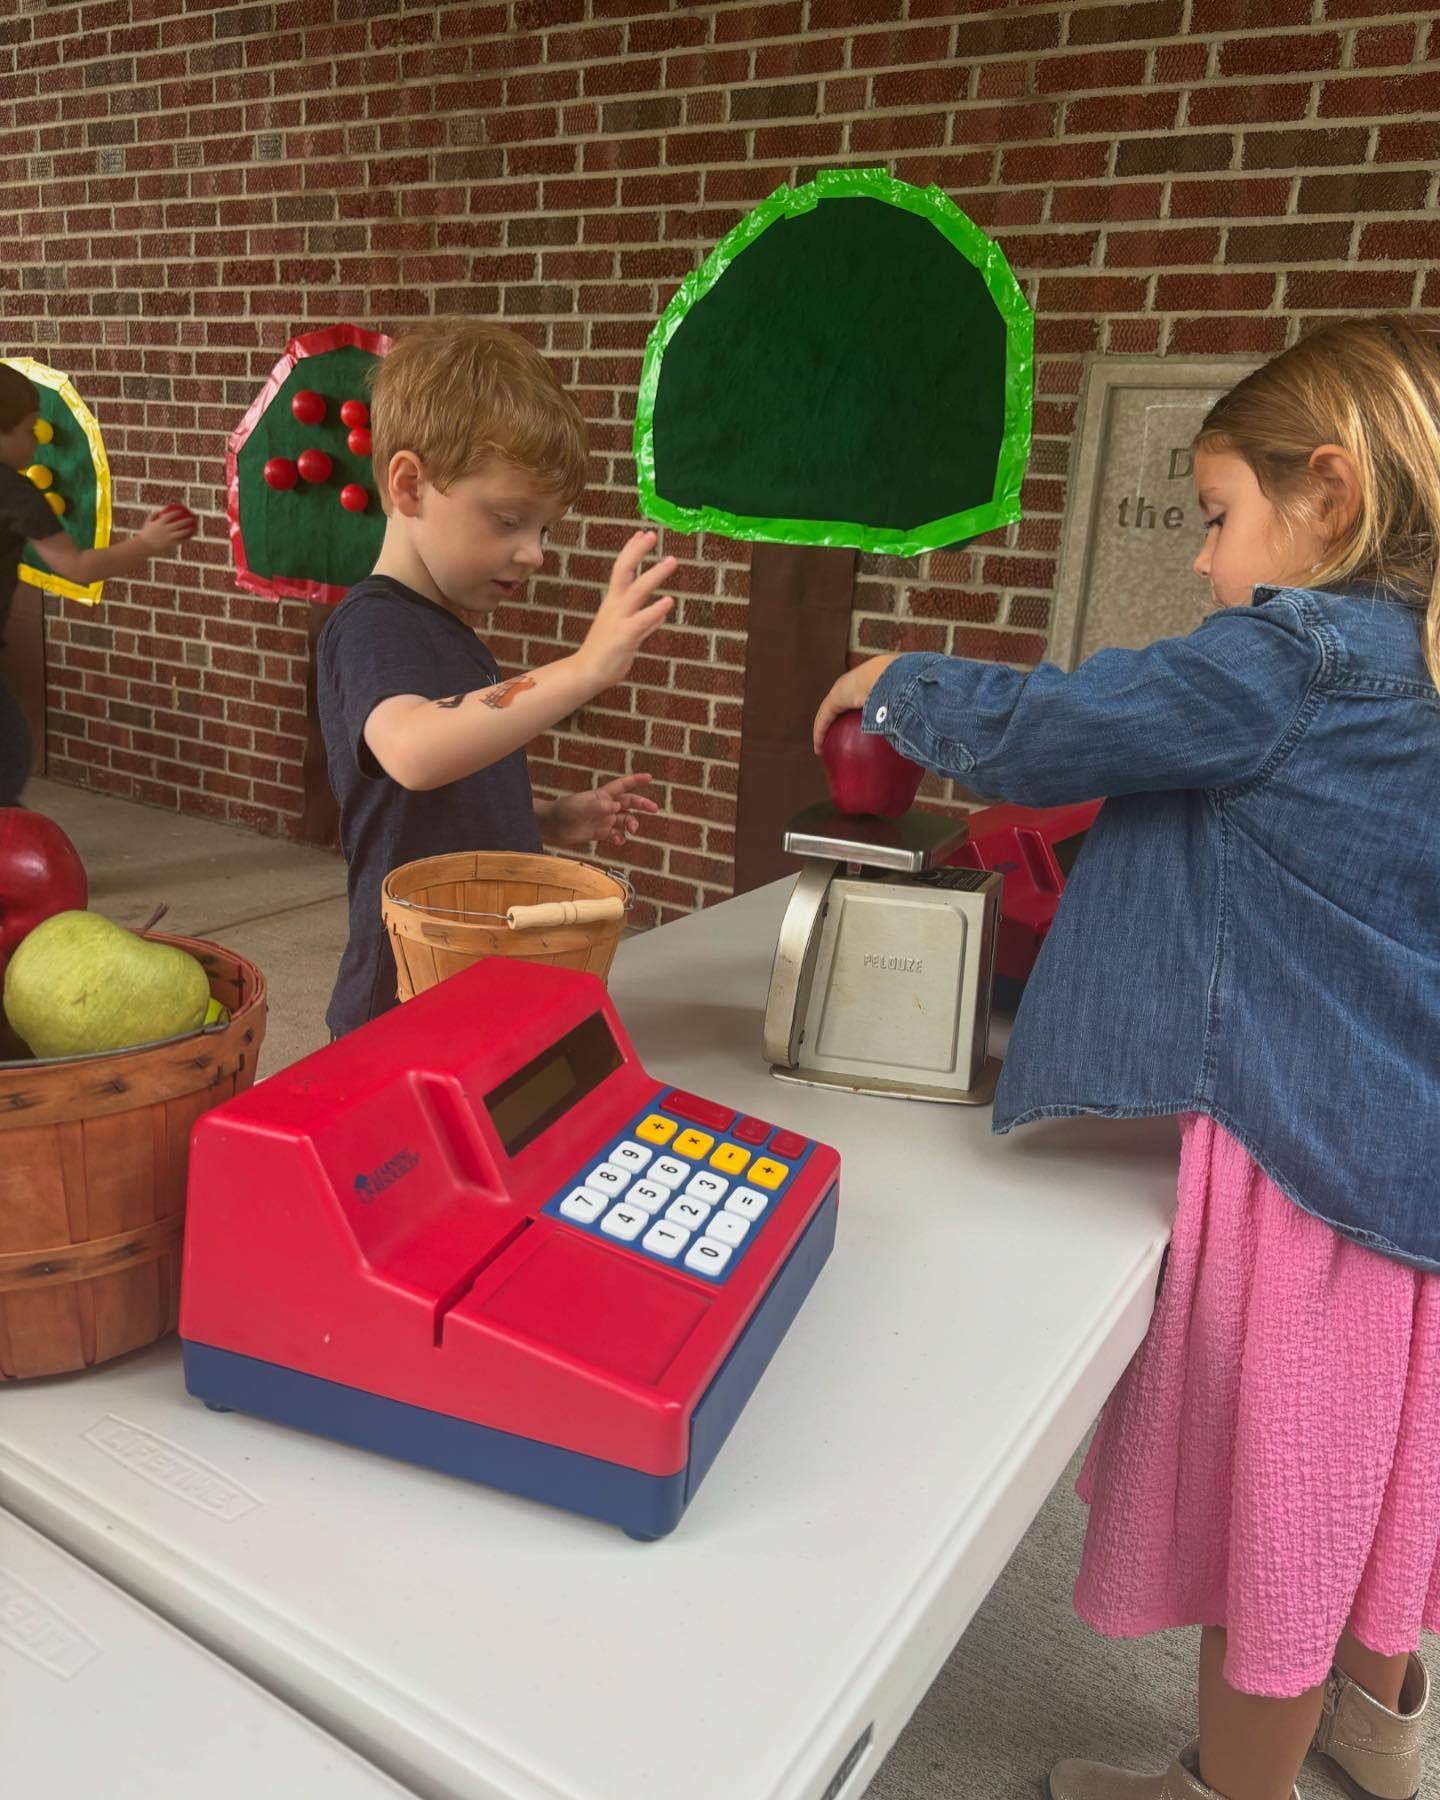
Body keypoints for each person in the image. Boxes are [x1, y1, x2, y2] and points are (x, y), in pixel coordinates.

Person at [814, 317, 1440, 1800]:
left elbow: (1068, 725)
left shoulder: (1294, 656)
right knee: (1364, 1479)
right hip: (1405, 1160)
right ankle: (1380, 1727)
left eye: (1219, 518)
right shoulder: (1421, 663)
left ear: (1330, 490)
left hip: (1305, 1174)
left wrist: (896, 676)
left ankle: (1234, 1790)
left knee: (1274, 1522)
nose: (1209, 565)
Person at [317, 320, 676, 1037]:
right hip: (402, 1005)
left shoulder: (450, 634)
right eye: (509, 520)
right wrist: (584, 668)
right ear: (410, 485)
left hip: (475, 982)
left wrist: (545, 817)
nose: (533, 553)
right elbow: (413, 752)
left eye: (544, 530)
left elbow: (439, 797)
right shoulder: (372, 626)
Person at [0, 362, 194, 805]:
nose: (35, 442)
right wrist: (147, 543)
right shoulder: (15, 492)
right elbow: (78, 567)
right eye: (29, 430)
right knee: (10, 755)